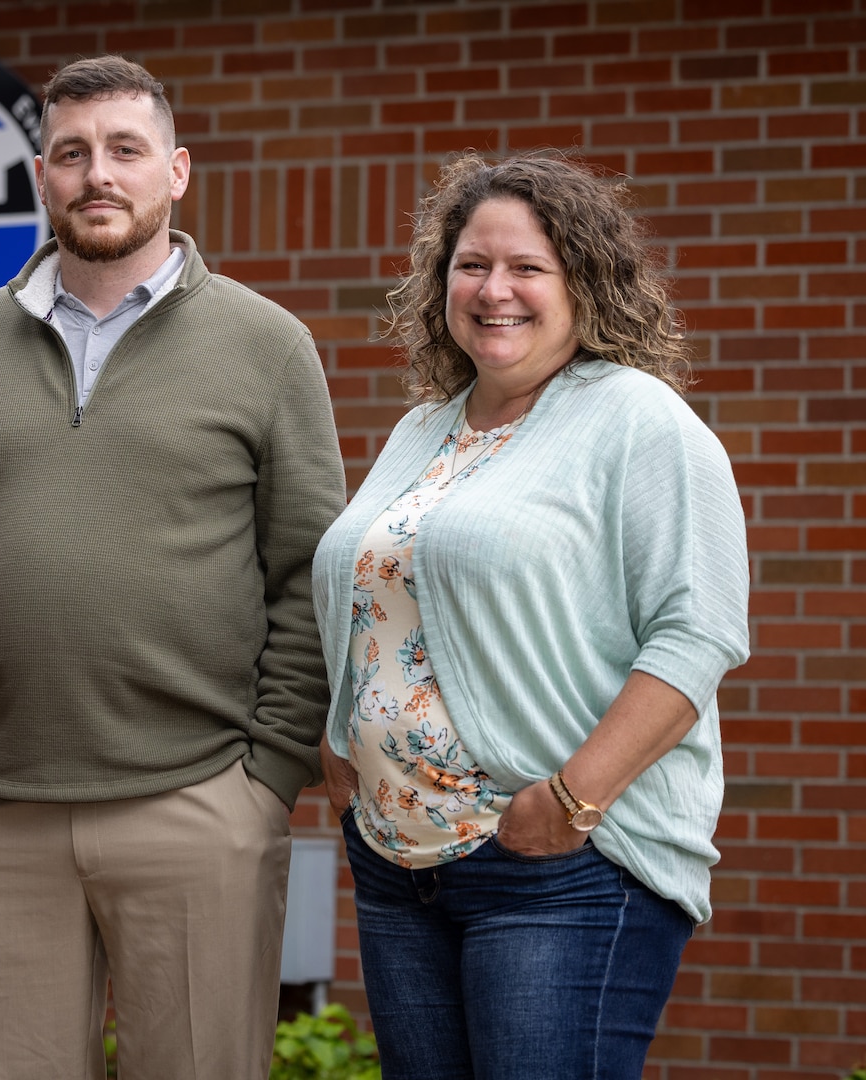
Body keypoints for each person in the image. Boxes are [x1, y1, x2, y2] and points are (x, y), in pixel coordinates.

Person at [0, 55, 345, 1080]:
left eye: (125, 150)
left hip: (198, 801)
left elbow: (310, 575)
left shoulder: (267, 346)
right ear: (41, 175)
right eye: (72, 152)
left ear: (174, 172)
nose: (99, 174)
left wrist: (265, 778)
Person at [311, 152, 749, 1079]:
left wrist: (572, 800)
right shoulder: (424, 427)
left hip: (559, 870)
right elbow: (376, 596)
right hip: (399, 867)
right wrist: (337, 737)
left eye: (527, 268)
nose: (493, 289)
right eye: (471, 265)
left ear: (583, 282)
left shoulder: (638, 420)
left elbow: (698, 631)